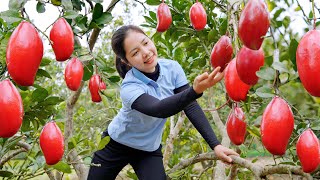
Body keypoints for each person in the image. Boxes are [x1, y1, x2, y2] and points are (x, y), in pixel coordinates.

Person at [87, 25, 238, 180]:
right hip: (115, 146)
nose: (145, 53)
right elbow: (158, 109)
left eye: (145, 43)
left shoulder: (172, 68)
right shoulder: (129, 86)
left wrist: (216, 145)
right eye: (135, 53)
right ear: (127, 62)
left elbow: (190, 106)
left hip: (148, 150)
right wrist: (194, 91)